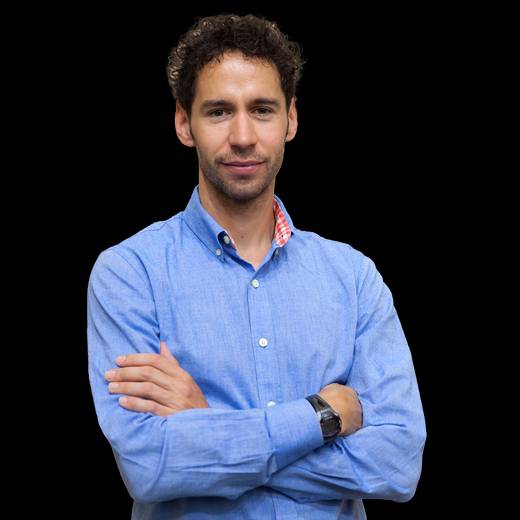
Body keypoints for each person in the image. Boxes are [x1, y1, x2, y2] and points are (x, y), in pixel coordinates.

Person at [87, 13, 426, 520]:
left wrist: (206, 428)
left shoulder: (353, 278)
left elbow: (397, 466)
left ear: (291, 119)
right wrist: (323, 416)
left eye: (262, 110)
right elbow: (150, 465)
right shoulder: (129, 273)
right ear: (185, 123)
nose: (243, 136)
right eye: (219, 111)